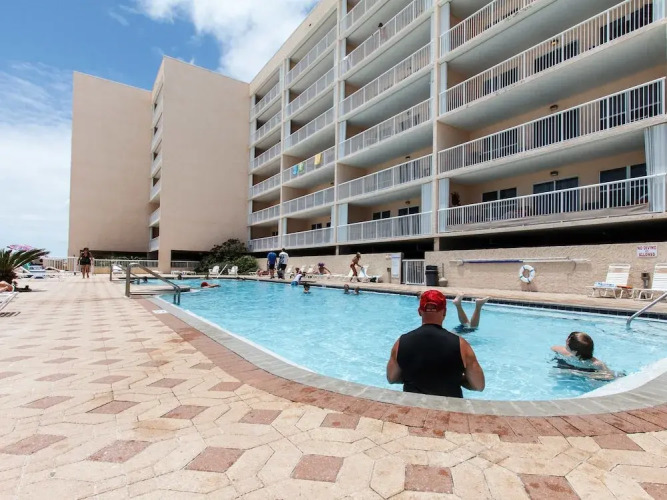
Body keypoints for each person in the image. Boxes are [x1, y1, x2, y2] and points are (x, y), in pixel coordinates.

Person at [386, 290, 485, 398]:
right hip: (448, 406)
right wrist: (457, 379)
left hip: (413, 405)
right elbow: (479, 385)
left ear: (419, 311)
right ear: (444, 312)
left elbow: (391, 378)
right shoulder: (461, 345)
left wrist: (411, 376)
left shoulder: (401, 342)